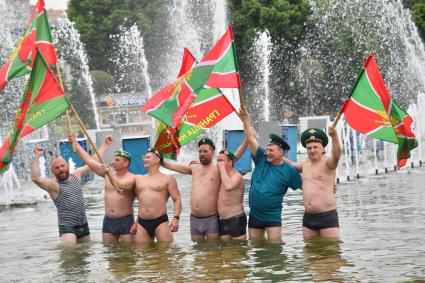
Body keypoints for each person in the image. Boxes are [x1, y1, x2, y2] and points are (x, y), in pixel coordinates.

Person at [31, 135, 113, 246]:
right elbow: (36, 178)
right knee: (70, 257)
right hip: (67, 227)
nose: (61, 169)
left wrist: (105, 144)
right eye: (57, 168)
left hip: (83, 224)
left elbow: (91, 162)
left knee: (84, 257)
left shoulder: (76, 175)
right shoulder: (53, 185)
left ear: (67, 166)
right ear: (52, 171)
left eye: (62, 166)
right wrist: (36, 157)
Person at [239, 106, 302, 242]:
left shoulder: (289, 171)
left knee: (275, 250)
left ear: (281, 152)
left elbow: (305, 186)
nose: (267, 152)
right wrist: (246, 119)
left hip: (272, 216)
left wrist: (324, 186)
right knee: (256, 249)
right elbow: (250, 138)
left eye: (271, 150)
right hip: (255, 215)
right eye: (266, 149)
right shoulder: (261, 158)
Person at [69, 134, 136, 245]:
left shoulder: (132, 178)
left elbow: (121, 186)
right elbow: (89, 161)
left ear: (126, 163)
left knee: (128, 255)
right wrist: (75, 144)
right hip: (108, 220)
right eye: (114, 159)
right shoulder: (107, 172)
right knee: (109, 253)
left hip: (126, 220)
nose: (114, 162)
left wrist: (109, 173)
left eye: (117, 160)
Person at [283, 127, 341, 240]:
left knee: (331, 253)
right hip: (308, 218)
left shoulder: (328, 163)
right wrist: (277, 155)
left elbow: (337, 155)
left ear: (322, 149)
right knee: (309, 254)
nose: (312, 150)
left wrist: (334, 136)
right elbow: (291, 164)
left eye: (315, 147)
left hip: (327, 216)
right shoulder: (304, 165)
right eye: (309, 148)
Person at [162, 137, 221, 241]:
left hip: (211, 218)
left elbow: (233, 159)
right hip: (194, 219)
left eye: (205, 151)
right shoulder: (194, 168)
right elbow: (174, 167)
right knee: (197, 252)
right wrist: (161, 161)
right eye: (200, 151)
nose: (202, 154)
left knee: (213, 253)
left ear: (212, 153)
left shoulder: (218, 169)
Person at [133, 147, 182, 243]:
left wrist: (176, 219)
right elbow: (141, 202)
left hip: (160, 221)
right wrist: (136, 222)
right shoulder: (138, 179)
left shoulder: (168, 179)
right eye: (144, 157)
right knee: (143, 254)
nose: (144, 159)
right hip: (142, 223)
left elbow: (177, 199)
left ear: (157, 159)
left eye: (148, 157)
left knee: (165, 254)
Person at [217, 148, 247, 240]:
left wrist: (222, 168)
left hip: (236, 219)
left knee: (238, 251)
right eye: (218, 160)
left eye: (221, 161)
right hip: (223, 220)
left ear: (230, 163)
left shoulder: (237, 176)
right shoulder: (221, 175)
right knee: (225, 251)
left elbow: (229, 186)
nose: (219, 163)